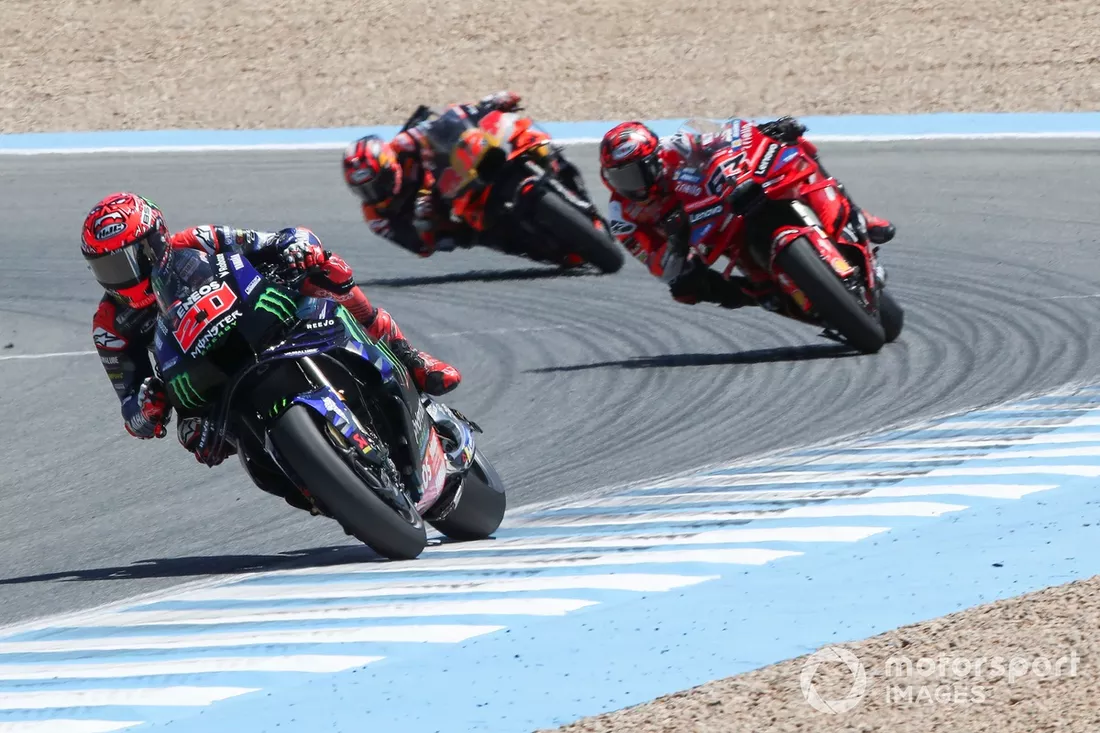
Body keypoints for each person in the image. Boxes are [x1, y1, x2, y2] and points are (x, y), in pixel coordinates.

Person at [81, 192, 461, 466]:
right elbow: (130, 407)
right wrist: (147, 409)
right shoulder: (109, 324)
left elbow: (276, 241)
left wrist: (297, 248)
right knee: (196, 438)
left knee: (325, 273)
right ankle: (304, 477)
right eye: (105, 268)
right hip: (205, 378)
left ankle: (406, 355)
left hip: (261, 319)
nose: (118, 278)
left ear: (156, 241)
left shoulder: (198, 241)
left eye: (125, 263)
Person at [597, 117, 896, 310]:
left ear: (654, 161)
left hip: (732, 197)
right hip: (713, 237)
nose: (628, 185)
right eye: (618, 177)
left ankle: (858, 215)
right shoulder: (623, 216)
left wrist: (764, 131)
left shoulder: (676, 147)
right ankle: (763, 293)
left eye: (633, 175)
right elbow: (659, 267)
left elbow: (724, 139)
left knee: (796, 145)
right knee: (685, 290)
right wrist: (677, 245)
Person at [341, 90, 524, 258]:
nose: (374, 192)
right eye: (364, 190)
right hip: (452, 213)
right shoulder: (376, 217)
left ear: (390, 164)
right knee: (483, 236)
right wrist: (423, 222)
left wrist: (483, 106)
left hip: (457, 173)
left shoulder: (403, 144)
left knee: (478, 135)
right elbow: (420, 248)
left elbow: (444, 124)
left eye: (378, 182)